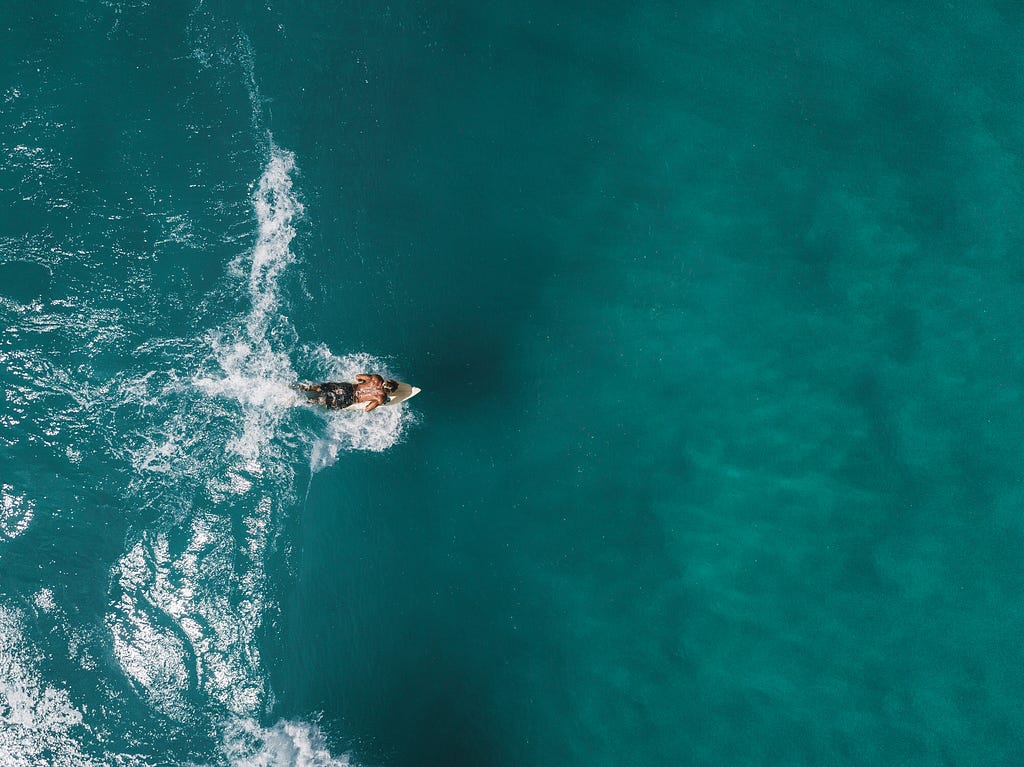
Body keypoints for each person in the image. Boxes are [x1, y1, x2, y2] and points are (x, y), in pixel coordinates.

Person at [295, 374, 399, 412]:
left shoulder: (377, 378)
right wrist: (382, 402)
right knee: (321, 401)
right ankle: (298, 402)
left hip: (347, 388)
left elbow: (358, 377)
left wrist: (363, 383)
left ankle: (300, 387)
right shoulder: (381, 398)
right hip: (349, 399)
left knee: (317, 388)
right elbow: (367, 409)